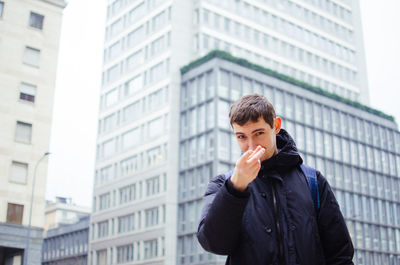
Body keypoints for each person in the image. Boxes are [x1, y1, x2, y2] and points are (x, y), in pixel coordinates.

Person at [197, 94, 354, 265]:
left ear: (276, 125)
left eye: (259, 133)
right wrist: (235, 189)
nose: (251, 146)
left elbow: (340, 255)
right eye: (241, 136)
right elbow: (214, 244)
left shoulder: (313, 181)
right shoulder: (222, 185)